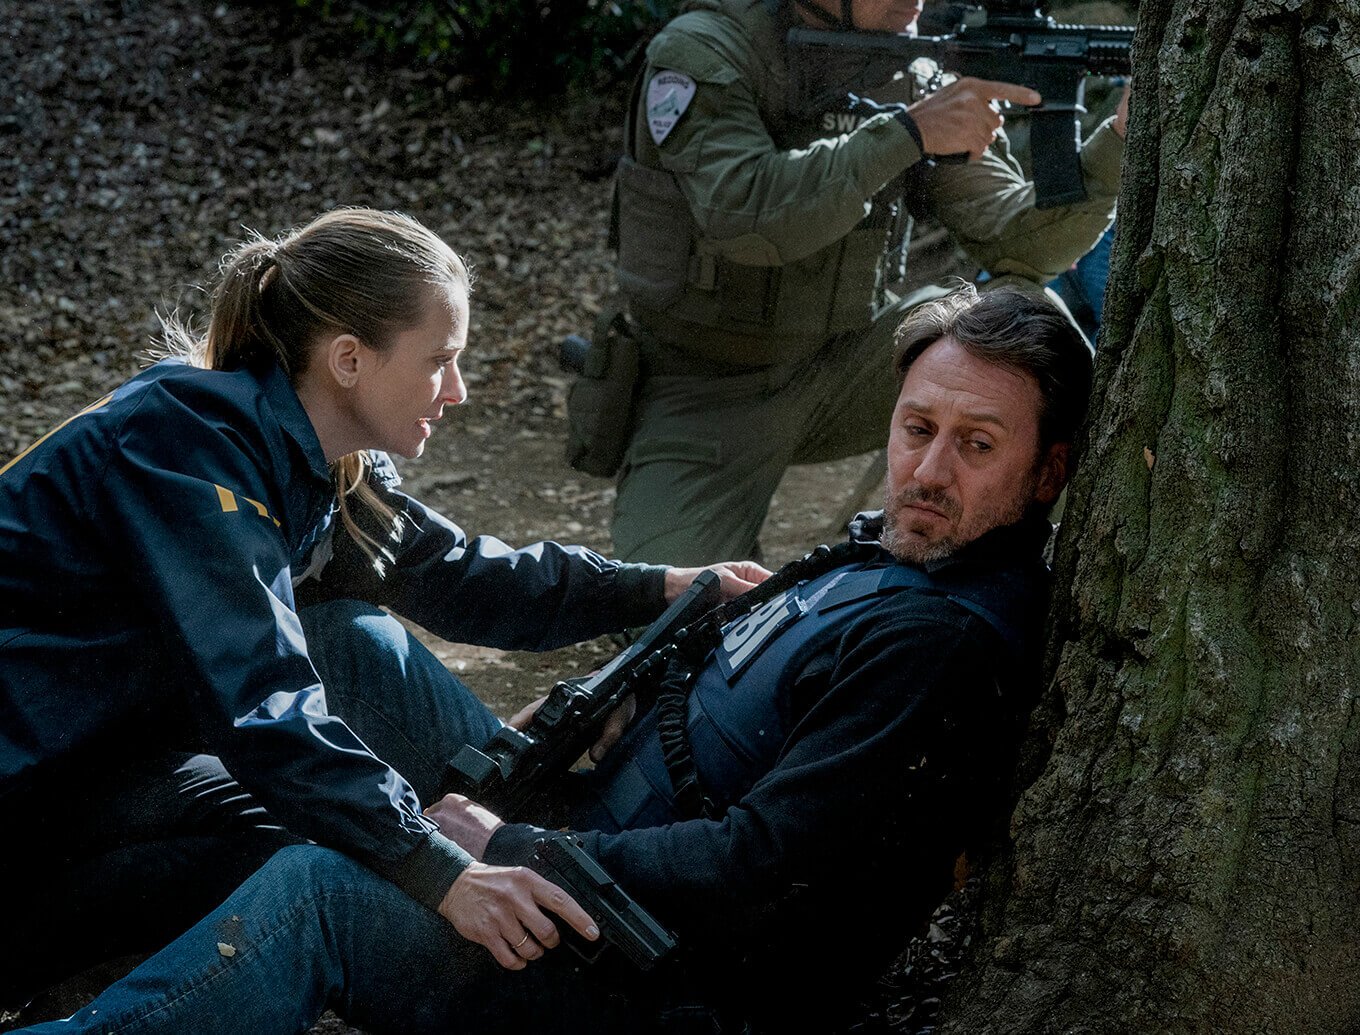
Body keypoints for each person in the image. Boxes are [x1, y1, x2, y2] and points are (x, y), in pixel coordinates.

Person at [16, 282, 1093, 1034]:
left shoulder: (939, 642)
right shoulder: (895, 556)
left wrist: (501, 847)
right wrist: (639, 679)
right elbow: (453, 583)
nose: (929, 470)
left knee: (320, 886)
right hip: (588, 833)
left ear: (1048, 475)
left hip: (635, 967)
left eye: (977, 445)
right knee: (348, 642)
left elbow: (766, 867)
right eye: (916, 428)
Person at [0, 207, 767, 1011]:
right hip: (26, 811)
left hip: (104, 762)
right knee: (327, 857)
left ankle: (547, 849)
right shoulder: (185, 447)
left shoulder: (320, 454)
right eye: (440, 360)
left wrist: (661, 587)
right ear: (348, 360)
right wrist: (438, 867)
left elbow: (459, 575)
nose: (458, 389)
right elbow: (262, 703)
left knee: (347, 641)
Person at [595, 0, 1123, 567]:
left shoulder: (914, 68)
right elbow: (745, 214)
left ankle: (1024, 571)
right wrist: (908, 134)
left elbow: (1018, 244)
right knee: (674, 600)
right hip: (705, 386)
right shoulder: (704, 52)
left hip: (853, 363)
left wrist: (1118, 138)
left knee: (1020, 313)